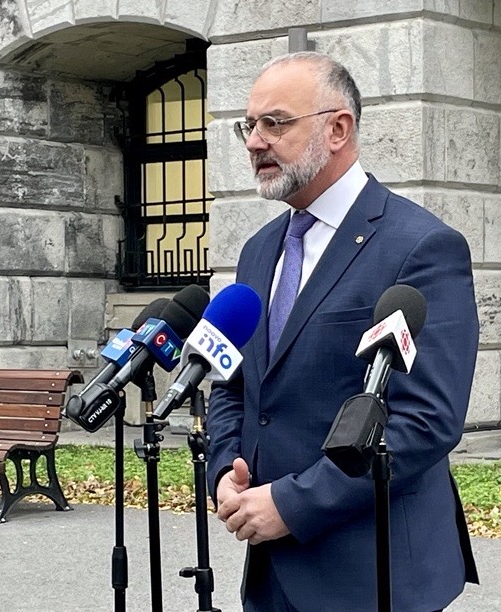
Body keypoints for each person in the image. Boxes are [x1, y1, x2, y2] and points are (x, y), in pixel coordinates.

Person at [205, 51, 481, 611]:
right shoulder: (260, 252)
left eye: (275, 123)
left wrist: (292, 505)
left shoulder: (421, 247)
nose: (255, 141)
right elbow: (233, 384)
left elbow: (425, 421)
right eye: (249, 125)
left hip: (373, 573)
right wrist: (223, 474)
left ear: (338, 129)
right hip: (271, 570)